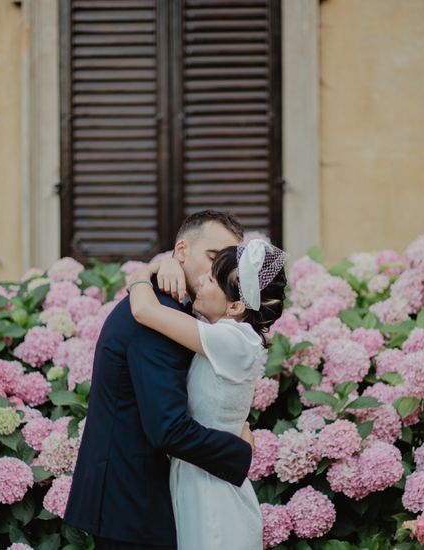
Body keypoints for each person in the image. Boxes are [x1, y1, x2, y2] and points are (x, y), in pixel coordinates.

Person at [64, 211, 256, 550]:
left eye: (226, 263)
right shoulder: (159, 314)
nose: (219, 272)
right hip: (131, 500)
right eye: (213, 258)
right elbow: (167, 427)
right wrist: (238, 452)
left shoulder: (172, 306)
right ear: (181, 251)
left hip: (135, 496)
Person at [126, 237, 288, 550]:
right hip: (203, 474)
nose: (201, 278)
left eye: (212, 279)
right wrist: (170, 263)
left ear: (236, 306)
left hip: (212, 491)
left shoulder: (231, 339)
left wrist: (142, 274)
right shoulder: (230, 332)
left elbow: (144, 310)